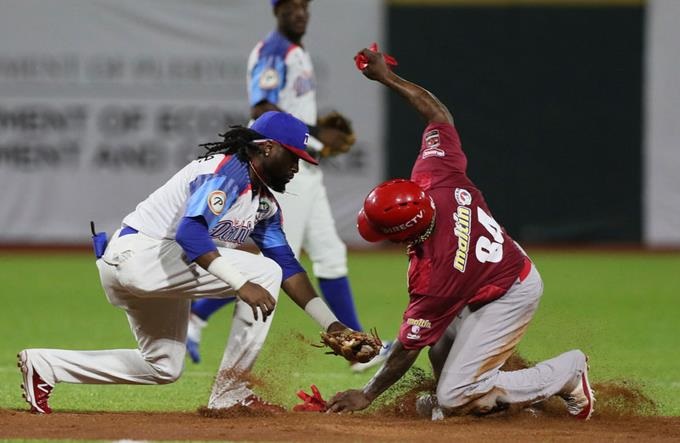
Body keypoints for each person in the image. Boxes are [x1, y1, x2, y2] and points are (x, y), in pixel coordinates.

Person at [18, 111, 351, 414]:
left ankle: (45, 365)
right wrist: (241, 284)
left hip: (152, 272)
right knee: (263, 271)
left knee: (163, 366)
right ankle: (231, 393)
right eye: (293, 158)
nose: (296, 168)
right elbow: (190, 233)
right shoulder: (228, 172)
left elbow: (289, 266)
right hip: (139, 256)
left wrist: (331, 324)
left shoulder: (262, 202)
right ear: (266, 148)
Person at [326, 48, 595, 420]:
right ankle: (484, 401)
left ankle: (567, 372)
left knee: (453, 395)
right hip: (487, 270)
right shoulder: (436, 175)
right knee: (441, 351)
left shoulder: (434, 274)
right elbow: (439, 114)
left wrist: (366, 394)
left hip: (508, 292)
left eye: (383, 232)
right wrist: (388, 78)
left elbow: (407, 348)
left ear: (404, 233)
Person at [186, 0, 392, 373]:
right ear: (276, 10)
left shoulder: (297, 51)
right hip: (287, 166)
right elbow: (260, 110)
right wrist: (314, 136)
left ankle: (356, 344)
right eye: (291, 6)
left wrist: (313, 137)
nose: (300, 12)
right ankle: (198, 317)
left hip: (305, 168)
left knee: (330, 254)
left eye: (304, 6)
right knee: (276, 265)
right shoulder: (273, 51)